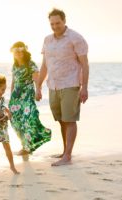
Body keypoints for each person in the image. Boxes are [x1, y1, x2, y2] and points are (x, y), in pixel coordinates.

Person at [36, 8, 89, 166]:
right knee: (61, 120)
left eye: (57, 23)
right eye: (52, 23)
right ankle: (65, 151)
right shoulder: (47, 40)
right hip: (53, 85)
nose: (55, 26)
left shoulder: (76, 38)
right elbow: (45, 65)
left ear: (64, 21)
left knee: (70, 120)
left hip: (70, 84)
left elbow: (85, 65)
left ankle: (67, 156)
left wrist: (84, 87)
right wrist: (38, 86)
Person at [8, 41, 52, 156]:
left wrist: (38, 90)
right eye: (15, 52)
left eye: (20, 51)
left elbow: (36, 79)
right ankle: (25, 145)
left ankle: (29, 145)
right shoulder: (14, 65)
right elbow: (13, 81)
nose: (18, 54)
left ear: (24, 52)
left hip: (27, 94)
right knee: (15, 121)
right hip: (16, 97)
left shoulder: (30, 64)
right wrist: (10, 96)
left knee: (28, 119)